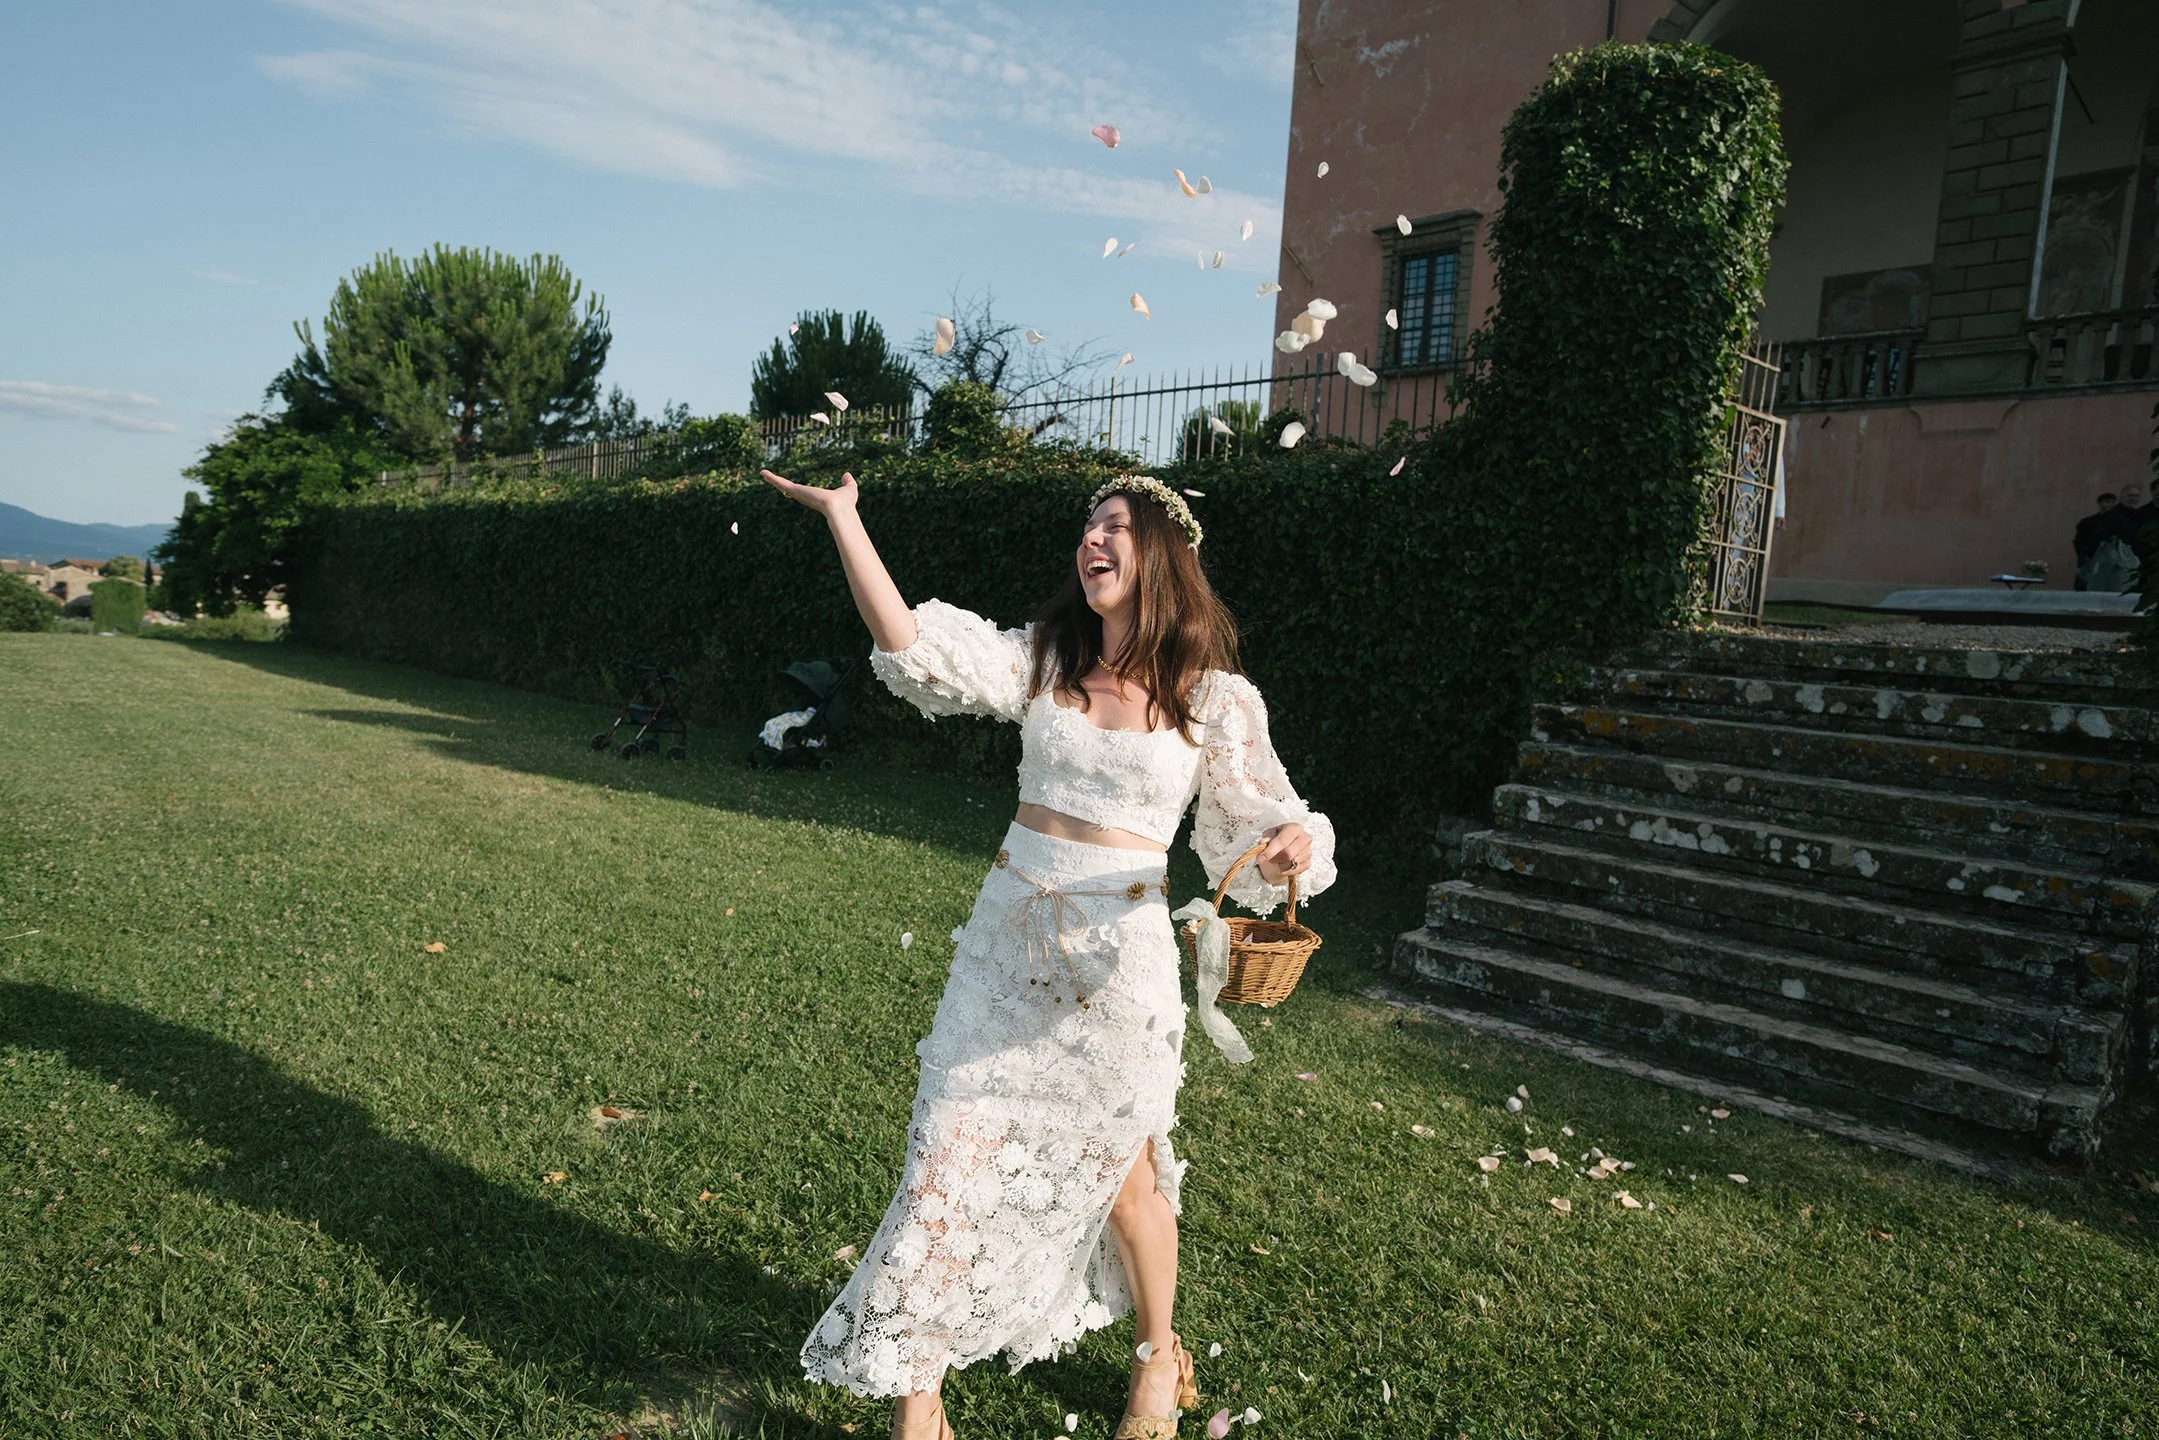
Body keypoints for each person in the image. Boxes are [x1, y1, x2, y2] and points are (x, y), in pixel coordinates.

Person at [762, 466, 1337, 1440]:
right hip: (1004, 959)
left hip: (1120, 976)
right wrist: (843, 520)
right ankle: (919, 1408)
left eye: (1113, 526)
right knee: (940, 1163)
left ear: (1159, 555)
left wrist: (1291, 841)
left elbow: (1268, 815)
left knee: (1125, 1186)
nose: (1091, 541)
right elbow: (907, 644)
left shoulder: (1213, 698)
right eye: (1086, 527)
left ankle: (1158, 1358)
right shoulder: (1042, 661)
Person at [2073, 492, 2120, 591]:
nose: (2110, 505)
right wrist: (2084, 556)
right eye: (2107, 502)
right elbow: (2079, 541)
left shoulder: (2119, 522)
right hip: (2090, 559)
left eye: (2113, 502)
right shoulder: (2088, 522)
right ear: (2100, 503)